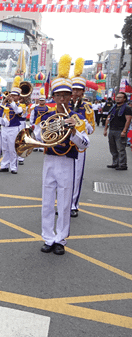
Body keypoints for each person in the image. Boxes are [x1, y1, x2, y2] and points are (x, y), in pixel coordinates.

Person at [34, 55, 89, 255]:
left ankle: (61, 239)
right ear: (54, 97)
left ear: (71, 97)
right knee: (47, 201)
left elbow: (85, 144)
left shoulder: (78, 118)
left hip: (68, 161)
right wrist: (51, 128)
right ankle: (48, 237)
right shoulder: (46, 116)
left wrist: (73, 132)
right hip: (49, 160)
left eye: (67, 95)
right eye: (59, 95)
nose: (63, 98)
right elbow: (37, 136)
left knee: (65, 203)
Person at [69, 58, 96, 217]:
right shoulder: (64, 104)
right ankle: (64, 202)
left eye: (78, 90)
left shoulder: (87, 107)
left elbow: (91, 129)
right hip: (65, 141)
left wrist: (84, 123)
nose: (75, 93)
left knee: (77, 175)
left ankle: (73, 205)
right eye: (73, 90)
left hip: (80, 142)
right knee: (64, 175)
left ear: (83, 92)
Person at [0, 76, 26, 174]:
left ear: (19, 97)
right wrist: (4, 101)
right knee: (4, 148)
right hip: (4, 128)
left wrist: (12, 102)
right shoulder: (6, 105)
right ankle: (4, 165)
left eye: (15, 96)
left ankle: (13, 167)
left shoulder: (20, 105)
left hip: (14, 128)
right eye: (11, 95)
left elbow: (18, 111)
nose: (12, 97)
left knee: (12, 148)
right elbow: (0, 112)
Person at [103, 92, 132, 170]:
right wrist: (105, 129)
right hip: (112, 130)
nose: (118, 99)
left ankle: (122, 165)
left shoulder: (127, 108)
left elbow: (128, 120)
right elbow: (108, 118)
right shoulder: (113, 107)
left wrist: (124, 131)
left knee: (120, 148)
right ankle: (115, 163)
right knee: (113, 148)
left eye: (120, 97)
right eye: (117, 97)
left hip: (120, 130)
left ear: (124, 99)